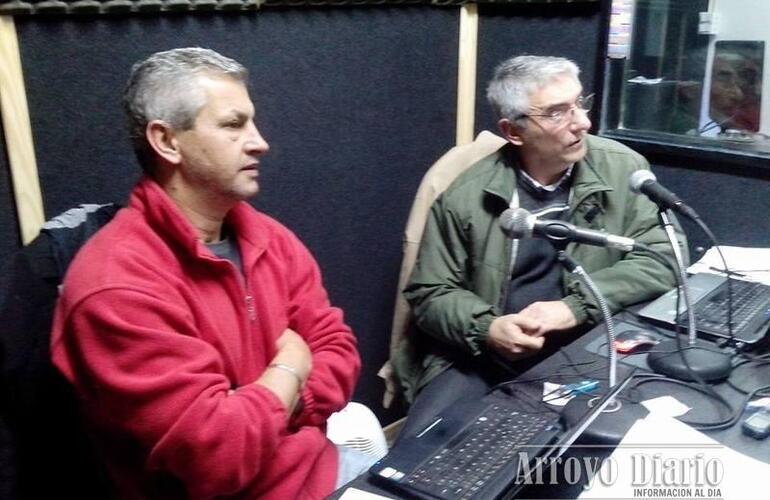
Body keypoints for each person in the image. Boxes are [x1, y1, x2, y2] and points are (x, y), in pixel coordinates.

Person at [50, 48, 368, 499]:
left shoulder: (270, 238)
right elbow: (218, 456)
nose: (260, 142)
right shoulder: (114, 284)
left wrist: (267, 407)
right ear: (167, 141)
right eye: (233, 124)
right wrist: (290, 366)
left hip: (320, 472)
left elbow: (339, 350)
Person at [392, 55, 682, 435]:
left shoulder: (624, 168)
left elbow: (663, 257)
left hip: (589, 341)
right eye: (558, 113)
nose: (583, 122)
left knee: (591, 453)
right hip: (482, 354)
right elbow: (429, 293)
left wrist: (574, 308)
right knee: (424, 459)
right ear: (514, 131)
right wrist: (488, 328)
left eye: (580, 103)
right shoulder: (464, 196)